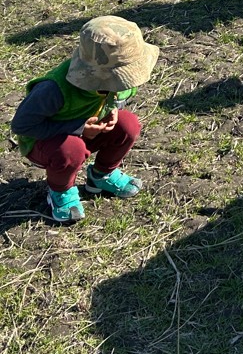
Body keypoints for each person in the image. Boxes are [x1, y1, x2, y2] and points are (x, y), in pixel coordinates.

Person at [10, 16, 160, 222]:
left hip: (89, 130)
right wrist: (79, 128)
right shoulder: (54, 89)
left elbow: (121, 97)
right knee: (71, 150)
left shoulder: (121, 82)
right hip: (45, 142)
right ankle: (60, 191)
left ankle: (101, 175)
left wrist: (114, 109)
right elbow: (22, 125)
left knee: (128, 124)